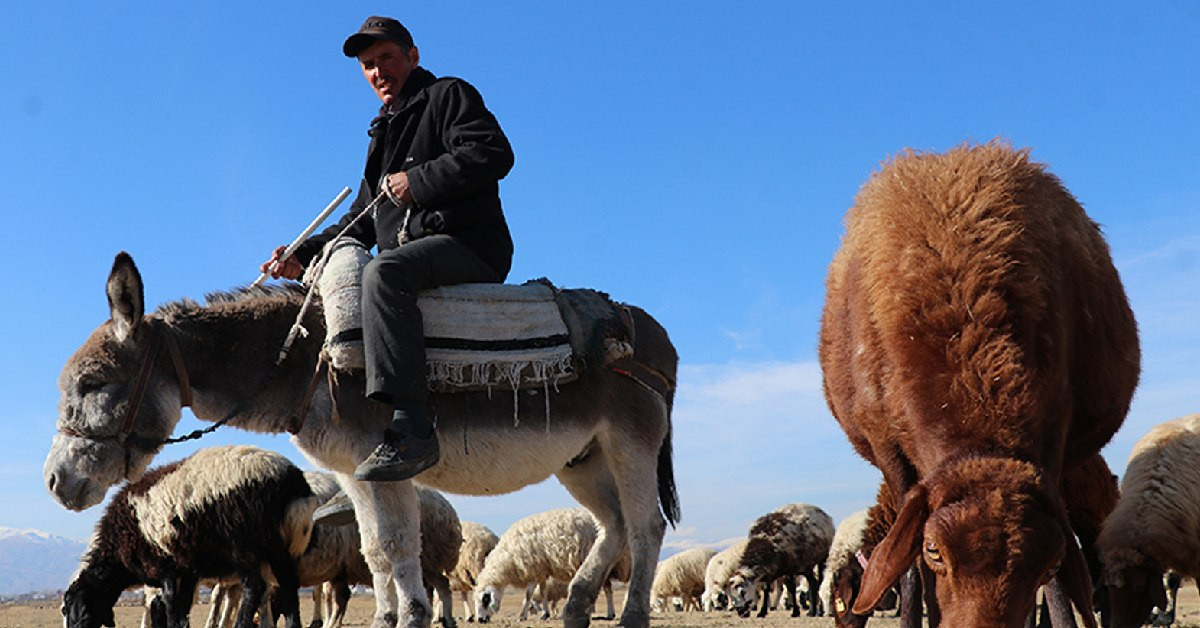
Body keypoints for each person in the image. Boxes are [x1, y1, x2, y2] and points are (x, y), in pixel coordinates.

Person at [261, 17, 514, 496]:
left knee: (383, 272)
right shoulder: (382, 133)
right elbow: (362, 216)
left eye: (387, 59)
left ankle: (412, 429)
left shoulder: (448, 95)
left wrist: (417, 182)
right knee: (356, 283)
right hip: (415, 255)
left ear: (412, 56)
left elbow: (494, 152)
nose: (378, 72)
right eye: (368, 65)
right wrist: (303, 252)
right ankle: (369, 457)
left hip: (470, 245)